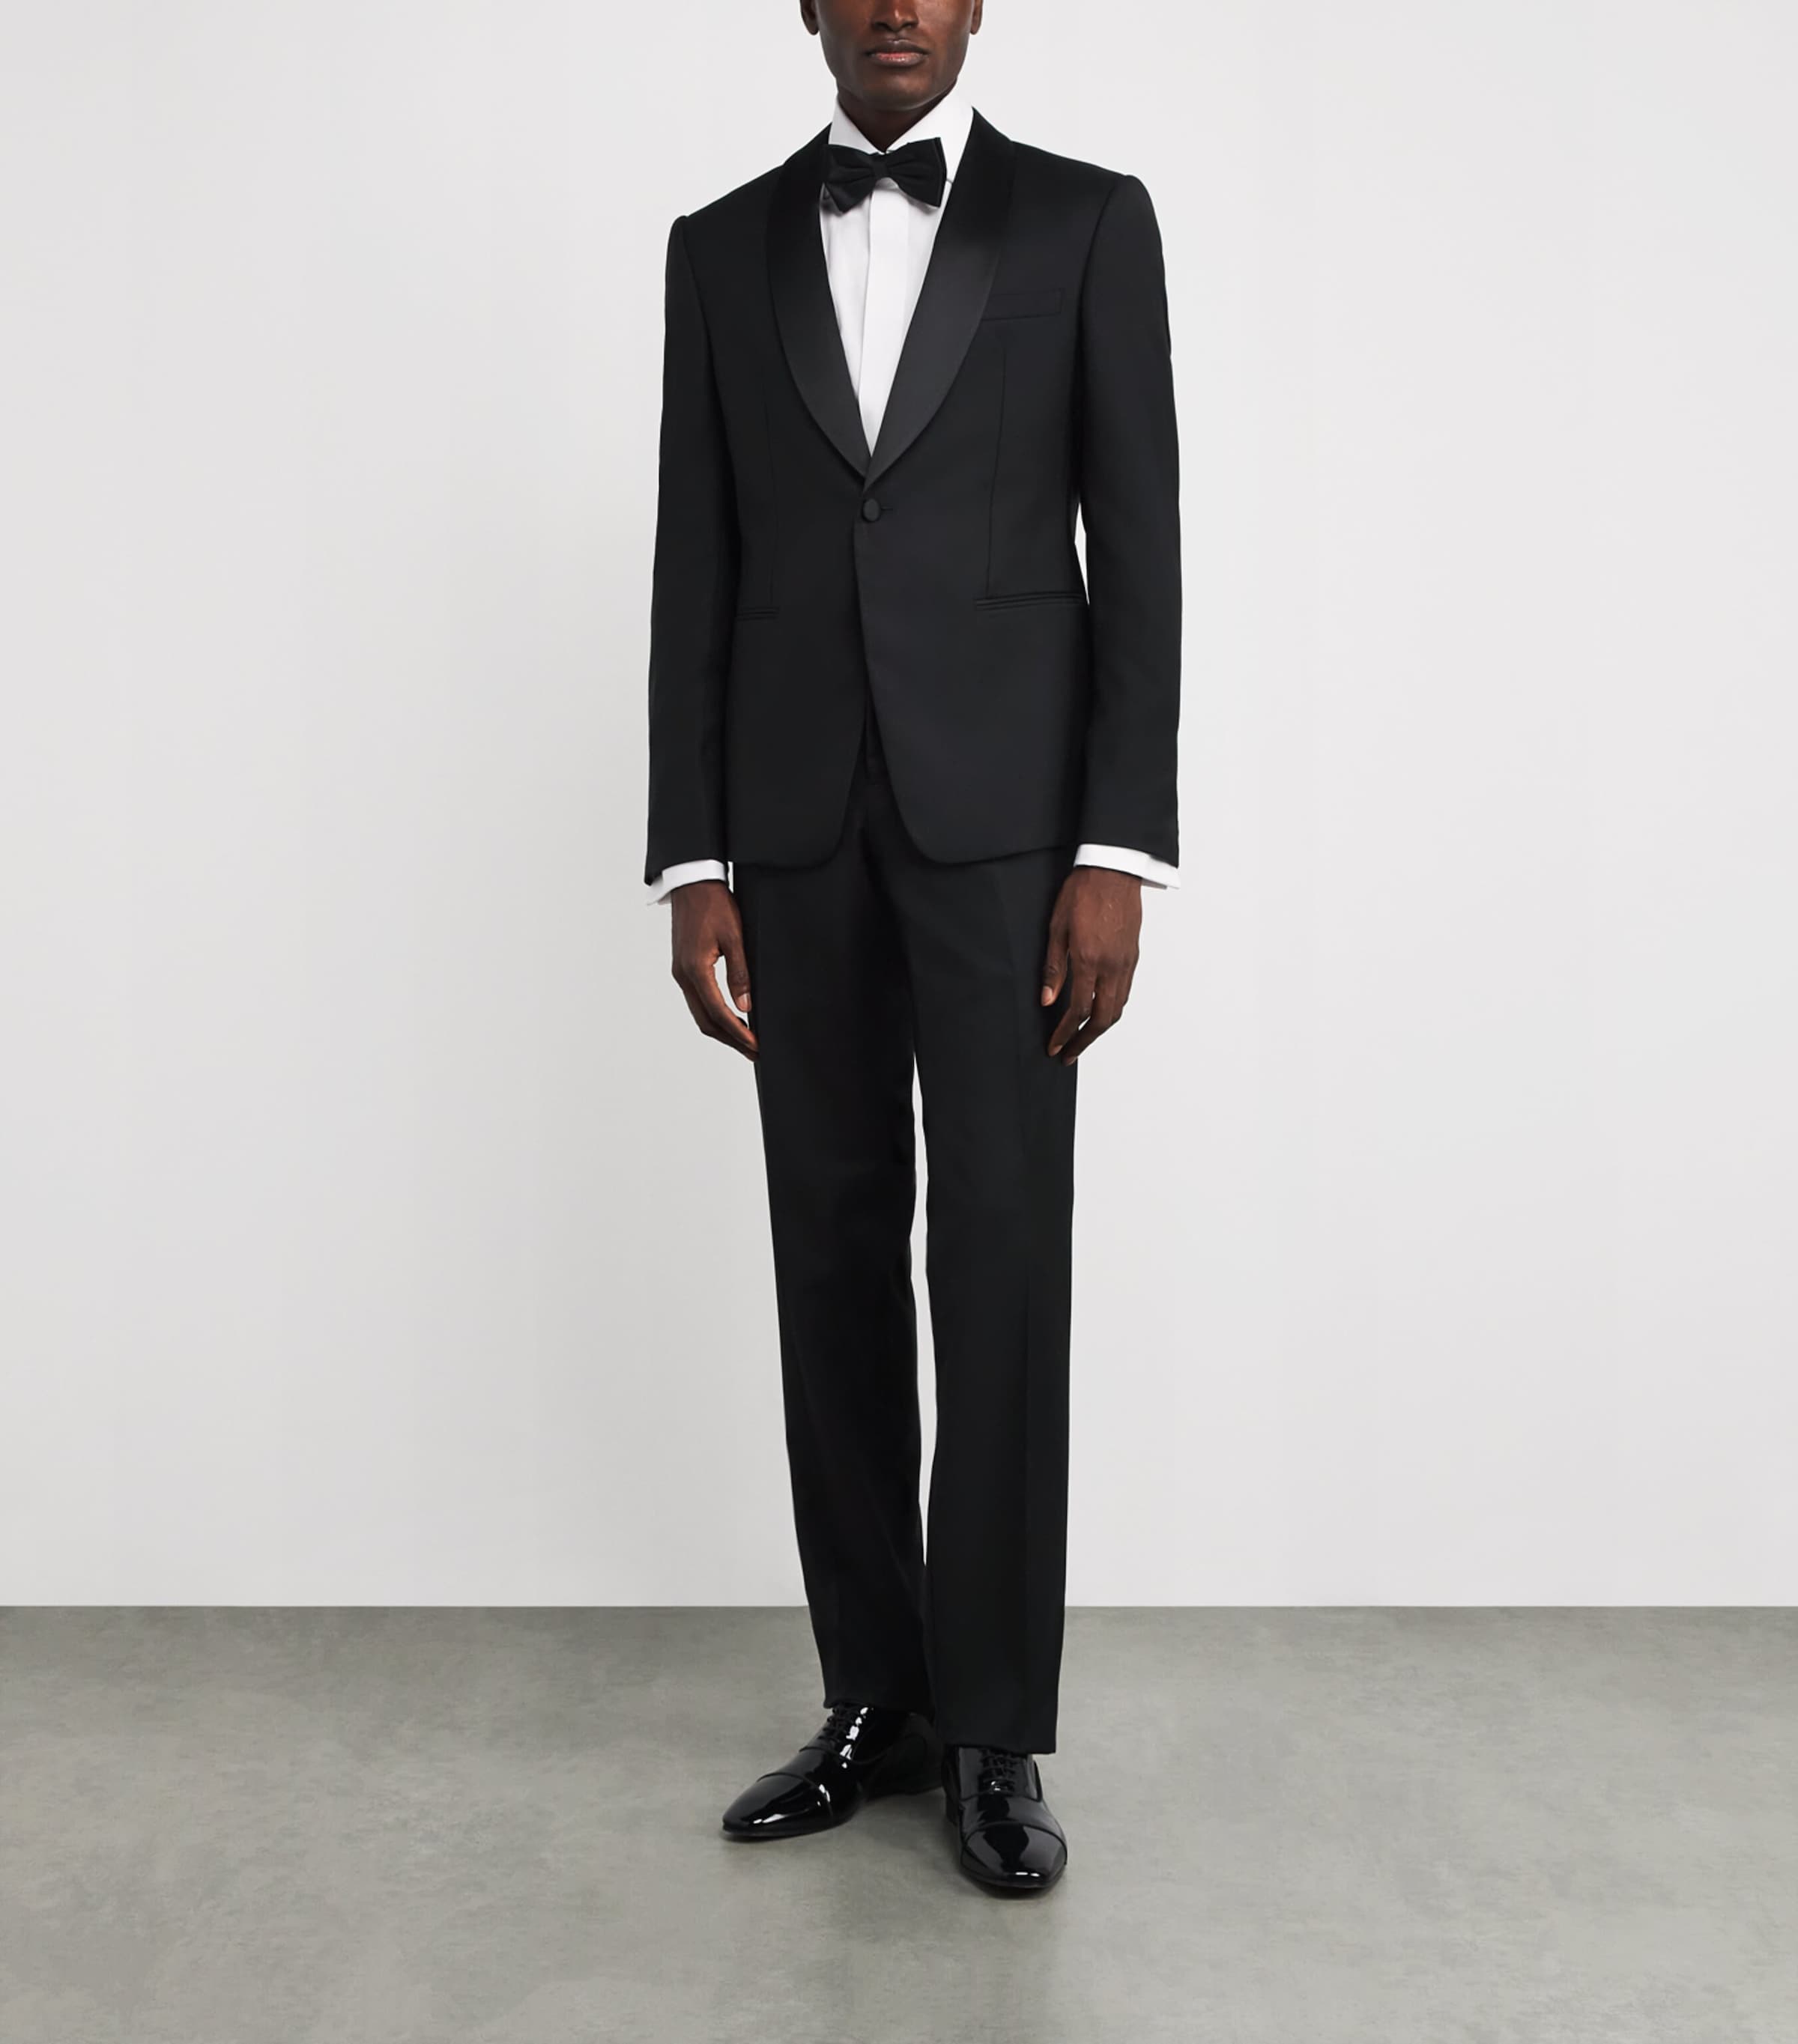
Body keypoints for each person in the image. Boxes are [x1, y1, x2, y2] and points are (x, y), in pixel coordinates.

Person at [644, 0, 1179, 1895]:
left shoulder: (1086, 222)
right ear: (804, 2)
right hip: (793, 835)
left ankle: (996, 1726)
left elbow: (1140, 542)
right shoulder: (721, 248)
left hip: (1014, 840)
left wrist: (1117, 845)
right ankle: (874, 1697)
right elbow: (696, 557)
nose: (894, 6)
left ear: (974, 6)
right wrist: (692, 855)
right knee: (830, 1258)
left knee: (1004, 1260)